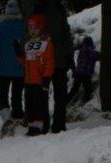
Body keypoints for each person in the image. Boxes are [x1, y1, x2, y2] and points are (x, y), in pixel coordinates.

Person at [0, 1, 27, 130]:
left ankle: (7, 119)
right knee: (17, 95)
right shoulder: (24, 27)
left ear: (6, 11)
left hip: (3, 70)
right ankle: (18, 118)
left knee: (2, 95)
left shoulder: (1, 28)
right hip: (20, 69)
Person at [36, 0, 73, 133]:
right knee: (60, 95)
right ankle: (59, 124)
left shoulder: (38, 8)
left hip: (43, 60)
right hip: (59, 59)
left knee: (42, 94)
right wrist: (69, 54)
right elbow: (66, 33)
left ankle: (44, 124)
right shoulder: (60, 9)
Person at [16, 14, 55, 137]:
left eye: (35, 28)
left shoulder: (46, 43)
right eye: (30, 28)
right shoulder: (28, 44)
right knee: (30, 105)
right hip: (29, 81)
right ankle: (32, 128)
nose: (32, 31)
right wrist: (19, 54)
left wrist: (46, 78)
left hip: (40, 80)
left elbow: (49, 63)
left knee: (40, 105)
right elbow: (26, 62)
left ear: (41, 28)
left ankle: (41, 129)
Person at [67, 36, 98, 105]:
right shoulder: (92, 52)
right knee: (88, 89)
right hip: (86, 74)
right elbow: (100, 56)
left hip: (78, 73)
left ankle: (65, 102)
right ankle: (84, 102)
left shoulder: (81, 51)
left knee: (74, 89)